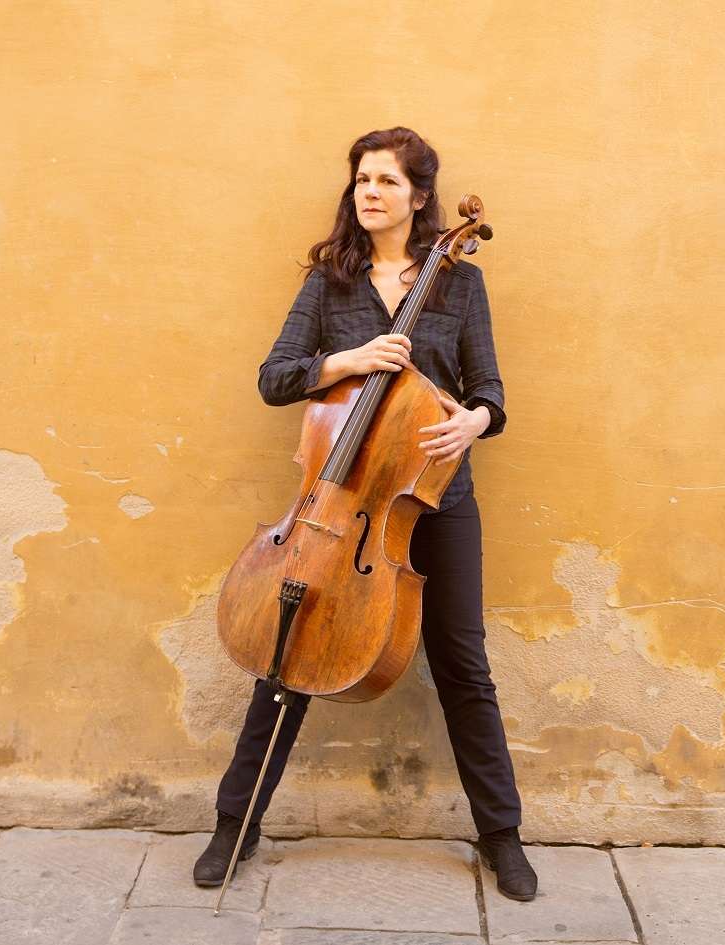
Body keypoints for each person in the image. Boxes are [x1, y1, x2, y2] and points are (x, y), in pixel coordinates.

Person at [192, 127, 537, 901]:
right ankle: (233, 825)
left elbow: (492, 392)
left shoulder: (459, 284)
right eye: (361, 180)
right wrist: (348, 360)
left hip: (436, 497)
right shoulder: (330, 283)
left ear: (421, 197)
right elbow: (276, 379)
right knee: (287, 663)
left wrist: (473, 421)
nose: (368, 192)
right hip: (337, 507)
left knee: (463, 664)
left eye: (385, 180)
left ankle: (501, 836)